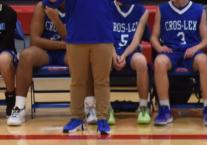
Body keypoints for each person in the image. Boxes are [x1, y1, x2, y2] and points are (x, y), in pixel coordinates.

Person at [55, 0, 119, 135]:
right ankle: (76, 118)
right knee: (77, 81)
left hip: (103, 36)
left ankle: (102, 119)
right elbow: (53, 3)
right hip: (76, 37)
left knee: (102, 81)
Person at [152, 0, 207, 125]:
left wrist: (196, 48)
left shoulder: (199, 9)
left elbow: (206, 40)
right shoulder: (162, 9)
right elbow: (154, 37)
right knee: (159, 61)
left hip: (191, 53)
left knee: (203, 60)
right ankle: (165, 109)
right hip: (171, 52)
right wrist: (160, 48)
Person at [6, 1, 67, 126]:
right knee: (26, 55)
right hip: (46, 52)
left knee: (83, 57)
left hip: (68, 53)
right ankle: (19, 107)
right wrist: (63, 45)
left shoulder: (74, 6)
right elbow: (35, 40)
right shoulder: (42, 6)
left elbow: (73, 39)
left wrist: (56, 20)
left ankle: (89, 106)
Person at [111, 0, 151, 124]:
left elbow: (136, 39)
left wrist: (123, 56)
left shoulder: (141, 10)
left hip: (130, 51)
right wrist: (114, 56)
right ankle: (105, 109)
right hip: (110, 50)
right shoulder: (106, 7)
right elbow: (105, 36)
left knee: (141, 61)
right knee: (102, 63)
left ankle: (143, 107)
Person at [1, 1, 19, 115]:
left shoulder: (9, 13)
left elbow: (6, 41)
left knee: (3, 59)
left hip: (6, 50)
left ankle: (11, 96)